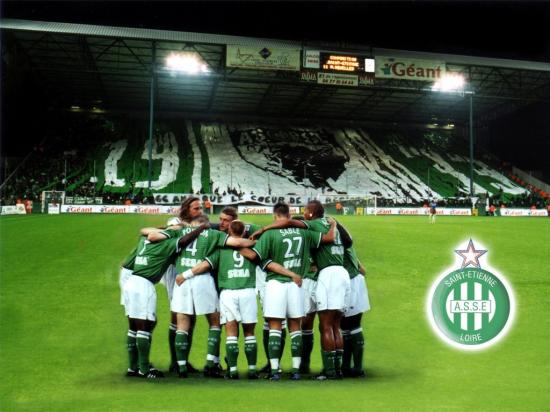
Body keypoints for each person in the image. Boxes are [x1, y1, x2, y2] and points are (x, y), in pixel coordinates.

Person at [251, 200, 350, 380]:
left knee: (278, 325)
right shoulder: (318, 228)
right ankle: (305, 369)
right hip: (311, 280)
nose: (304, 213)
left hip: (284, 282)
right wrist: (334, 225)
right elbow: (342, 241)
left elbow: (256, 256)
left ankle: (275, 370)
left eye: (305, 210)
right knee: (315, 325)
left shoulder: (299, 228)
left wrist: (261, 231)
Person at [166, 215, 256, 378]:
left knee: (182, 323)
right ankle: (210, 364)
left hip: (182, 280)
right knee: (215, 322)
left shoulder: (180, 232)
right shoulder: (213, 234)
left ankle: (181, 367)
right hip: (203, 280)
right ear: (205, 224)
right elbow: (237, 243)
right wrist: (253, 242)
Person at [122, 222, 208, 379]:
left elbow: (145, 231)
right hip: (144, 285)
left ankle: (132, 367)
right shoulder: (165, 244)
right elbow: (183, 241)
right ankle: (144, 370)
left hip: (131, 282)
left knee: (133, 326)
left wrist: (168, 229)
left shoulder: (144, 240)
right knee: (145, 326)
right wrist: (200, 228)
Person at [341, 245, 370, 378]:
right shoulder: (343, 236)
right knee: (345, 326)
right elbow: (363, 270)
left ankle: (357, 369)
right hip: (354, 280)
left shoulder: (334, 237)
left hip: (351, 282)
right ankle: (345, 367)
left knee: (352, 324)